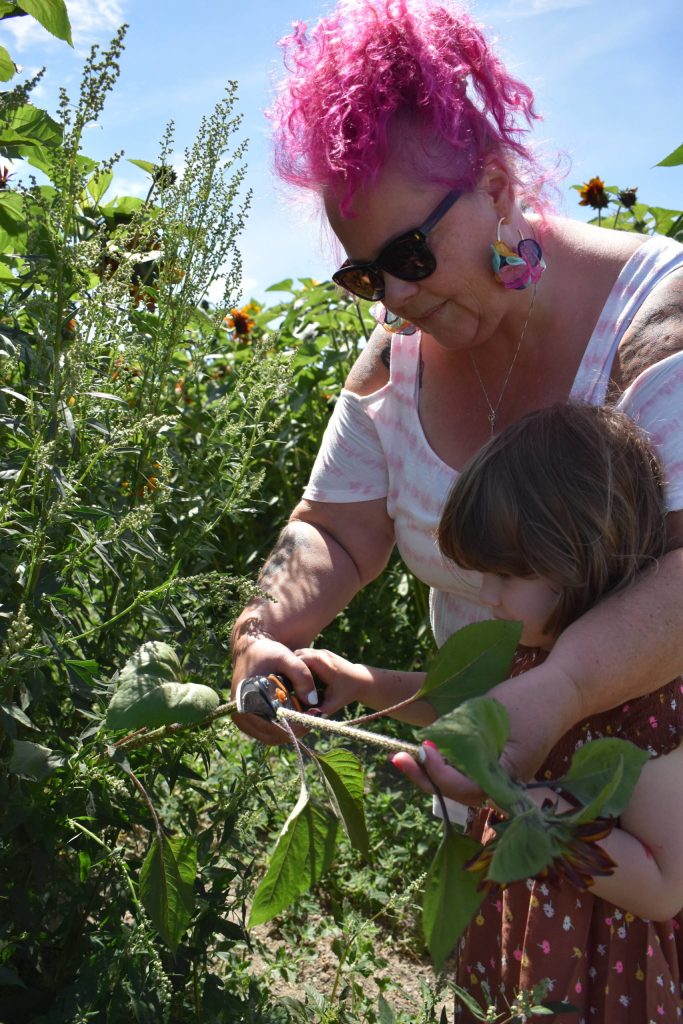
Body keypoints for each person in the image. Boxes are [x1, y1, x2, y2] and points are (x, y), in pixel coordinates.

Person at [230, 0, 683, 800]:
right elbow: (334, 529)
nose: (395, 296)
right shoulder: (395, 357)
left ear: (497, 187)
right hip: (489, 779)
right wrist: (260, 631)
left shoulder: (659, 319)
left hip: (653, 809)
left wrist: (558, 691)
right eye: (366, 274)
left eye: (411, 253)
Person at [389, 402, 683, 1021]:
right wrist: (361, 685)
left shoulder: (652, 700)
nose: (487, 596)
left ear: (579, 557)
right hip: (520, 931)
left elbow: (661, 887)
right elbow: (478, 712)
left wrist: (523, 804)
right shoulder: (536, 649)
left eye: (507, 575)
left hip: (609, 961)